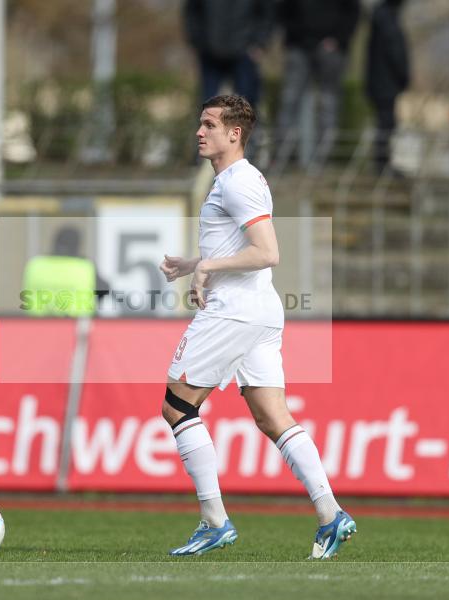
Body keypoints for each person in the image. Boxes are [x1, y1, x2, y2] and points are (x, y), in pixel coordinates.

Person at [159, 94, 355, 559]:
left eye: (209, 125)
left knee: (176, 408)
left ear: (235, 133)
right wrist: (196, 264)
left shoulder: (237, 182)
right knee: (272, 417)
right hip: (258, 309)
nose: (199, 132)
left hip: (234, 311)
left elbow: (267, 251)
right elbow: (242, 249)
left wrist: (207, 268)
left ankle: (214, 522)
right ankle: (331, 515)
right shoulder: (236, 180)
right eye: (200, 124)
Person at [273, 0, 361, 170]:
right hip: (298, 46)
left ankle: (321, 161)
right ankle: (284, 158)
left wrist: (338, 39)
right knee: (290, 101)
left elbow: (353, 12)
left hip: (331, 49)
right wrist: (295, 36)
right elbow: (282, 10)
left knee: (328, 103)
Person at [183, 0, 275, 157]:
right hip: (210, 51)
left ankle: (248, 150)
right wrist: (198, 43)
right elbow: (192, 12)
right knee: (208, 105)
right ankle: (204, 151)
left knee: (247, 104)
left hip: (245, 52)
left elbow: (267, 13)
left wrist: (259, 43)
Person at [365, 0, 410, 176]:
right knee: (386, 124)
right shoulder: (387, 20)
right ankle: (382, 164)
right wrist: (403, 74)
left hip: (382, 81)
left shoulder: (382, 18)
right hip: (385, 82)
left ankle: (383, 163)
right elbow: (395, 51)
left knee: (386, 123)